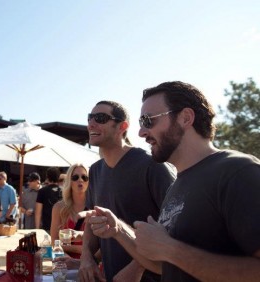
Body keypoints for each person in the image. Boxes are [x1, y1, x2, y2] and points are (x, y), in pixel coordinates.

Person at [87, 81, 260, 281]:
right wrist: (118, 230)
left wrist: (171, 249)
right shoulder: (177, 185)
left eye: (148, 120)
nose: (141, 132)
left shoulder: (237, 171)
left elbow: (171, 253)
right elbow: (164, 265)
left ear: (185, 118)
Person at [78, 100, 176, 282]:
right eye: (90, 118)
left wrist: (136, 269)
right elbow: (92, 220)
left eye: (100, 118)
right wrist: (86, 257)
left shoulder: (153, 165)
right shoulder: (95, 170)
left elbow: (175, 228)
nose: (91, 123)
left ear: (122, 126)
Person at [50, 164, 89, 258]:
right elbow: (54, 242)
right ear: (69, 182)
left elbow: (101, 246)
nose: (80, 180)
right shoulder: (58, 208)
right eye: (75, 177)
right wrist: (80, 249)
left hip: (90, 266)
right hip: (65, 265)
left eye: (84, 177)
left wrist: (69, 247)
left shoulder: (95, 208)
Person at [35, 167, 62, 231]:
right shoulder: (63, 191)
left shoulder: (42, 191)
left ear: (47, 177)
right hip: (61, 227)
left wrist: (37, 229)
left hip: (47, 227)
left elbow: (38, 212)